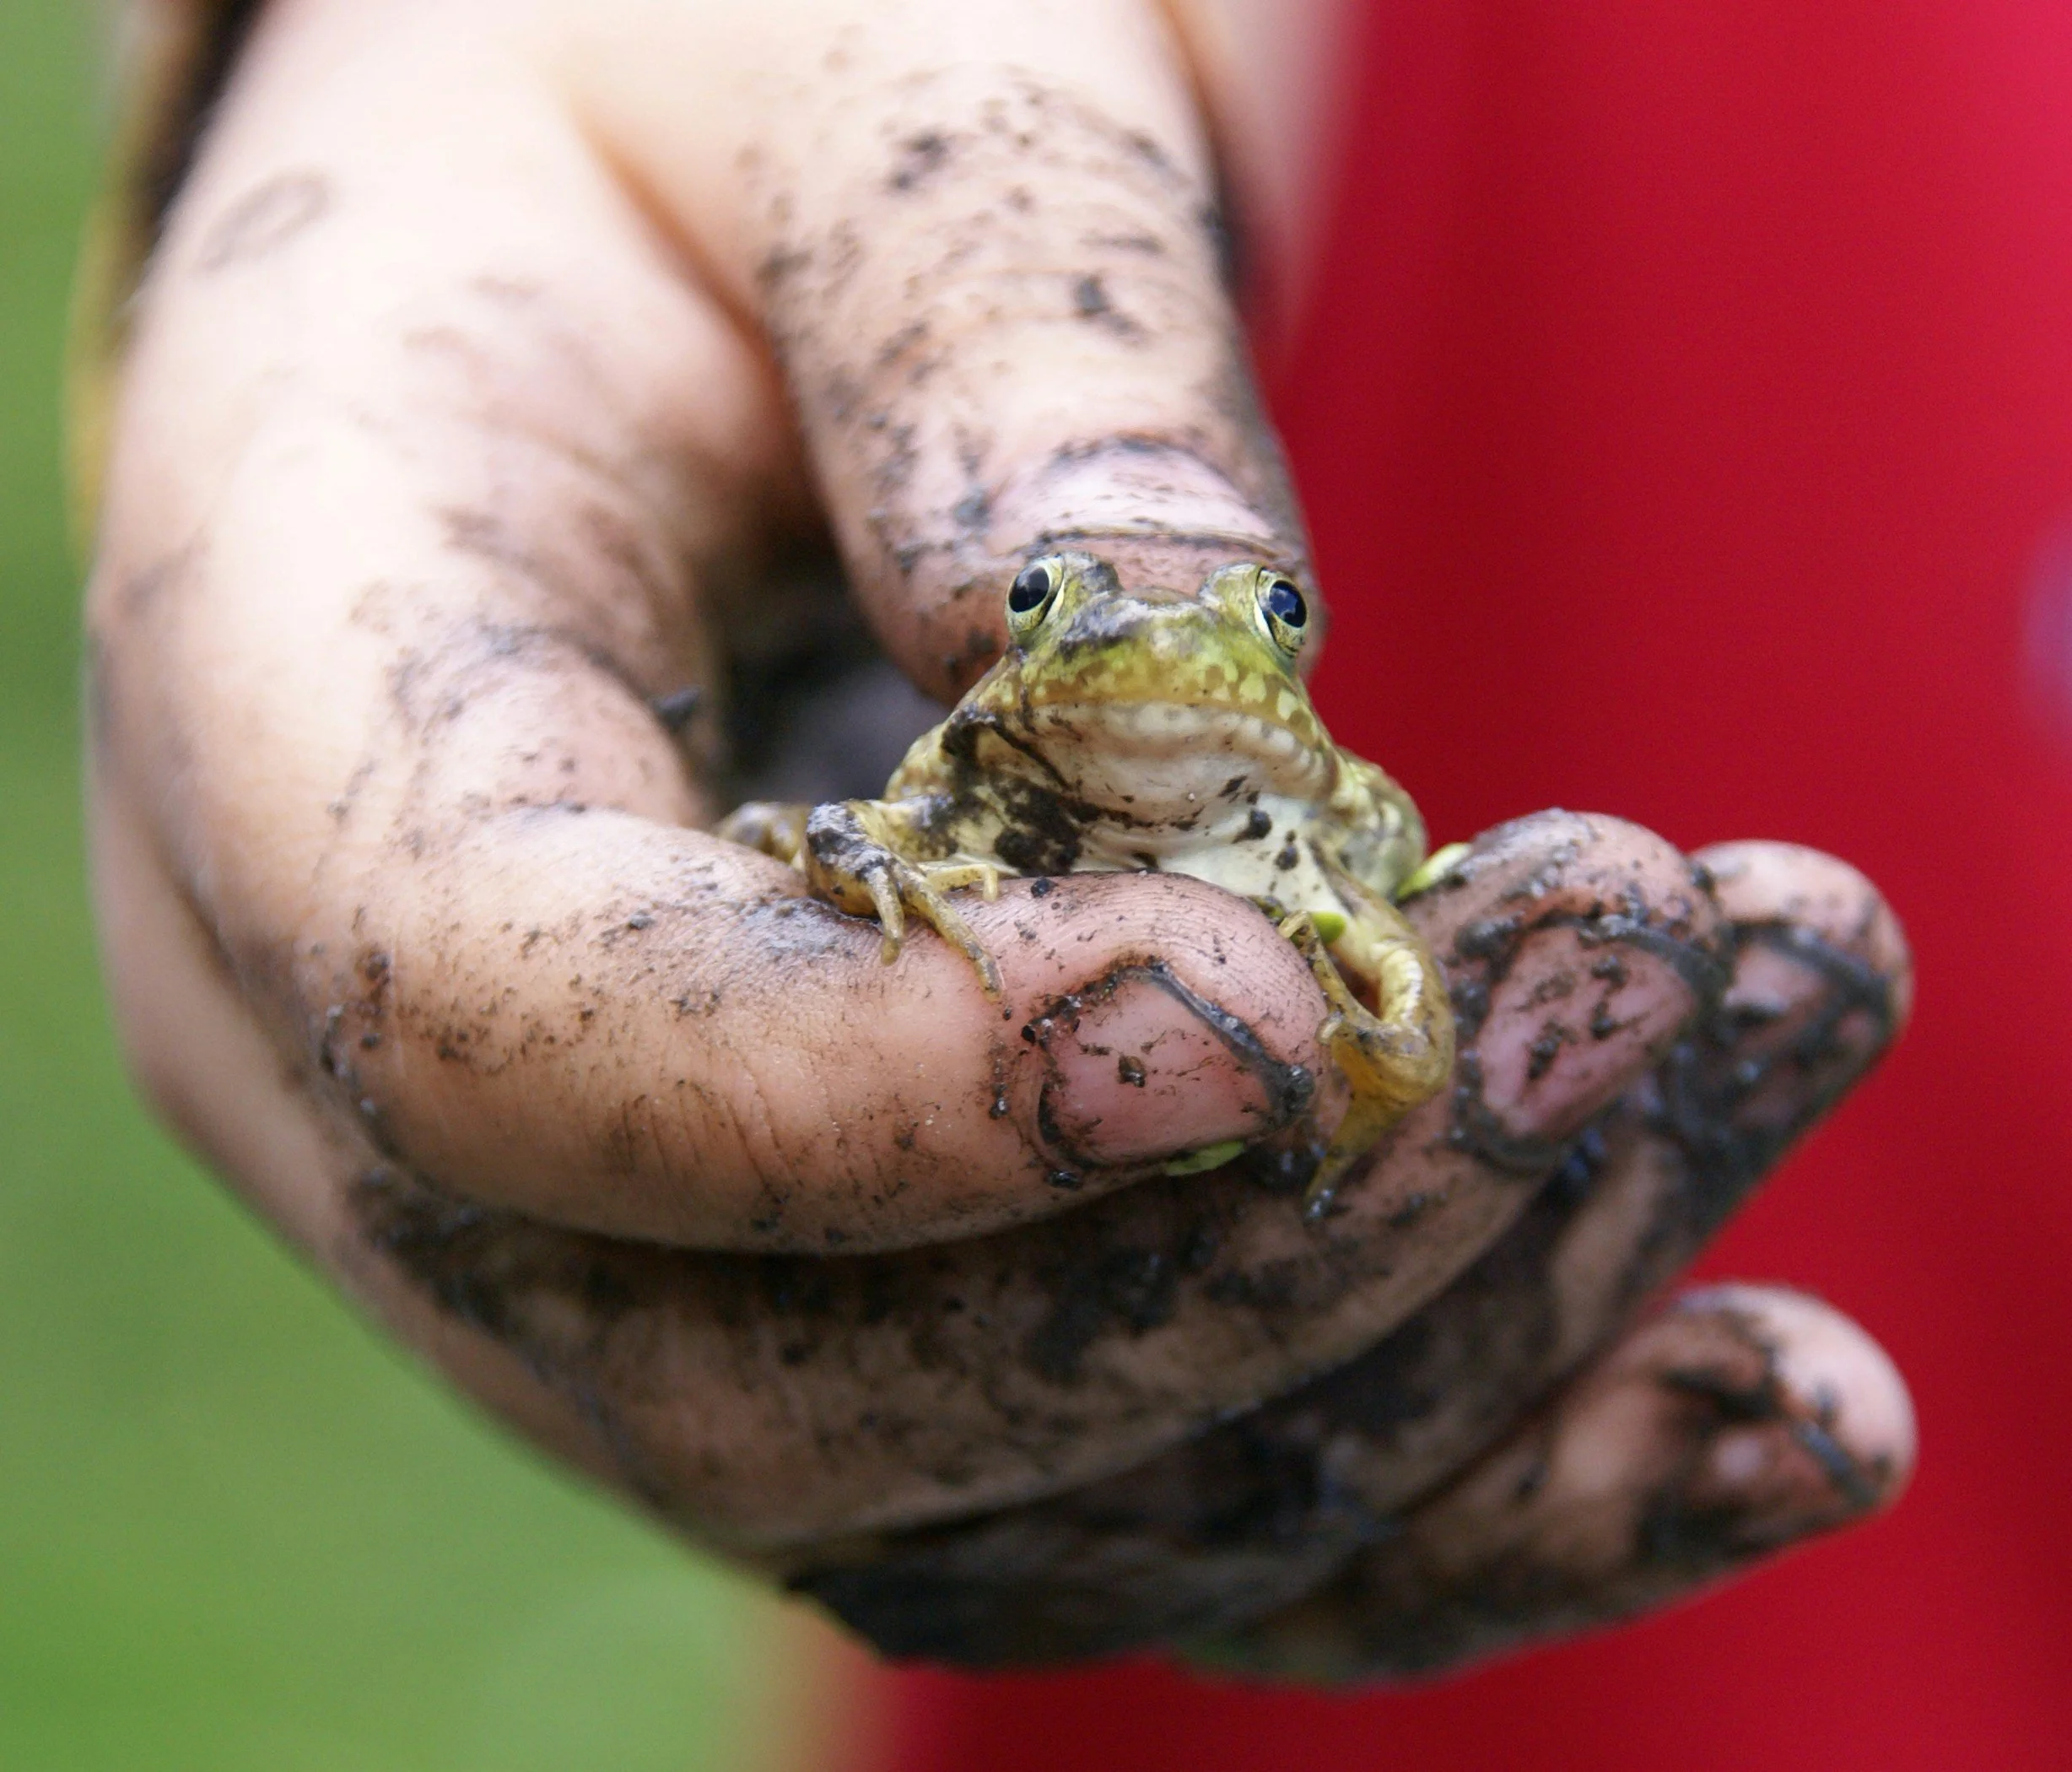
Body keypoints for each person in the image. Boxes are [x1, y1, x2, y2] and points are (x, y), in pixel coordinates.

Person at [89, 1, 2056, 1765]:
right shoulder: (997, 750)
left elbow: (1383, 901)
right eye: (1059, 606)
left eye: (1253, 619)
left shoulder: (1323, 810)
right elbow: (855, 835)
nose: (1161, 649)